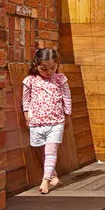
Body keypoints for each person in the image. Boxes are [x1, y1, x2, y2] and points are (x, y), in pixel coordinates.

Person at [22, 48, 72, 195]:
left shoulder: (60, 79)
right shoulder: (30, 80)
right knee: (43, 150)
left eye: (53, 68)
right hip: (37, 122)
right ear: (36, 65)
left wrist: (67, 115)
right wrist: (27, 118)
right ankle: (54, 176)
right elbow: (25, 101)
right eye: (44, 68)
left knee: (51, 151)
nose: (49, 72)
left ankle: (45, 181)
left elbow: (67, 97)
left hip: (56, 121)